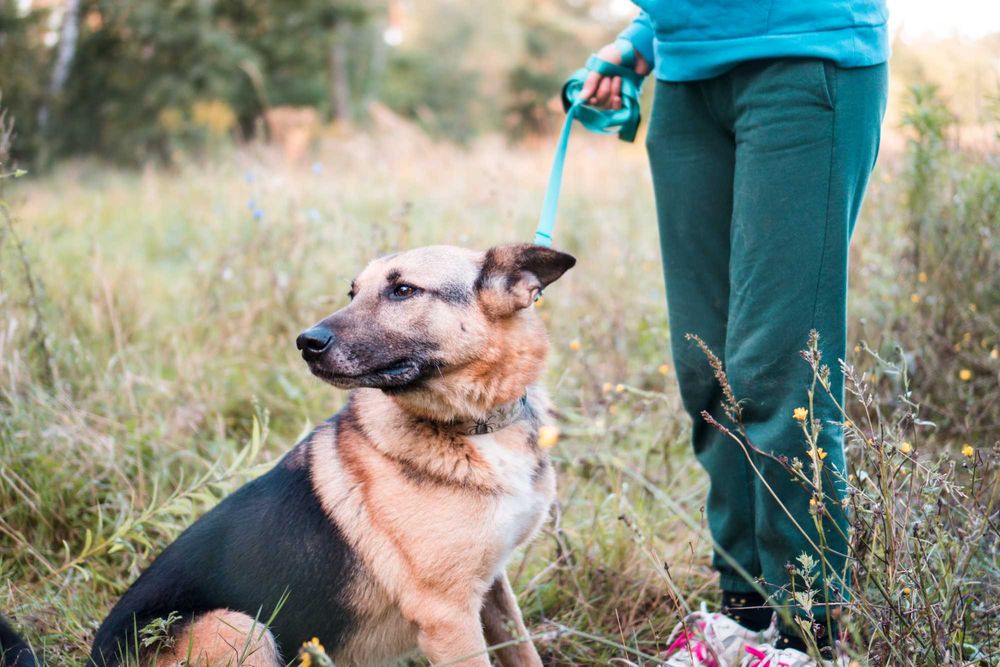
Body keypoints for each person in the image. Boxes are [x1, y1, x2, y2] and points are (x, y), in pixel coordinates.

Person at [575, 2, 889, 666]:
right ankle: (745, 616)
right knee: (707, 368)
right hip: (686, 73)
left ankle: (810, 635)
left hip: (806, 54)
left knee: (777, 373)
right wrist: (641, 40)